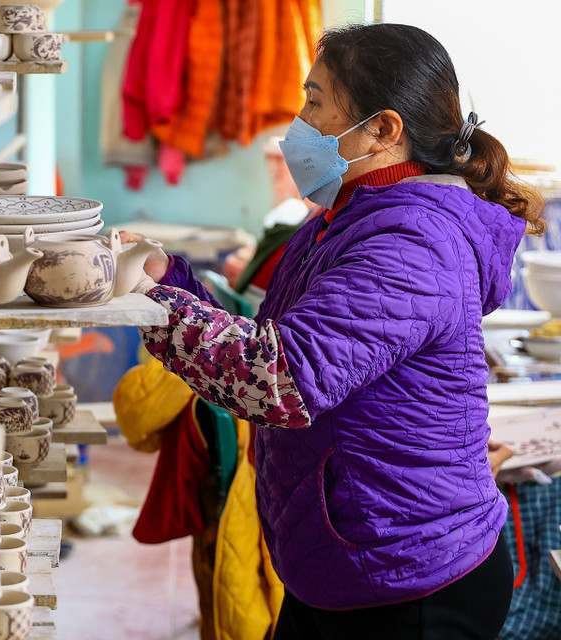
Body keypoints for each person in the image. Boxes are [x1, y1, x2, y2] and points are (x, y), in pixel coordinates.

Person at [126, 23, 544, 640]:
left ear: (384, 130)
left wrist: (153, 302)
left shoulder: (413, 242)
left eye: (315, 101)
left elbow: (278, 381)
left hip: (407, 576)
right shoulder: (347, 216)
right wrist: (171, 279)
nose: (299, 122)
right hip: (349, 557)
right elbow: (273, 343)